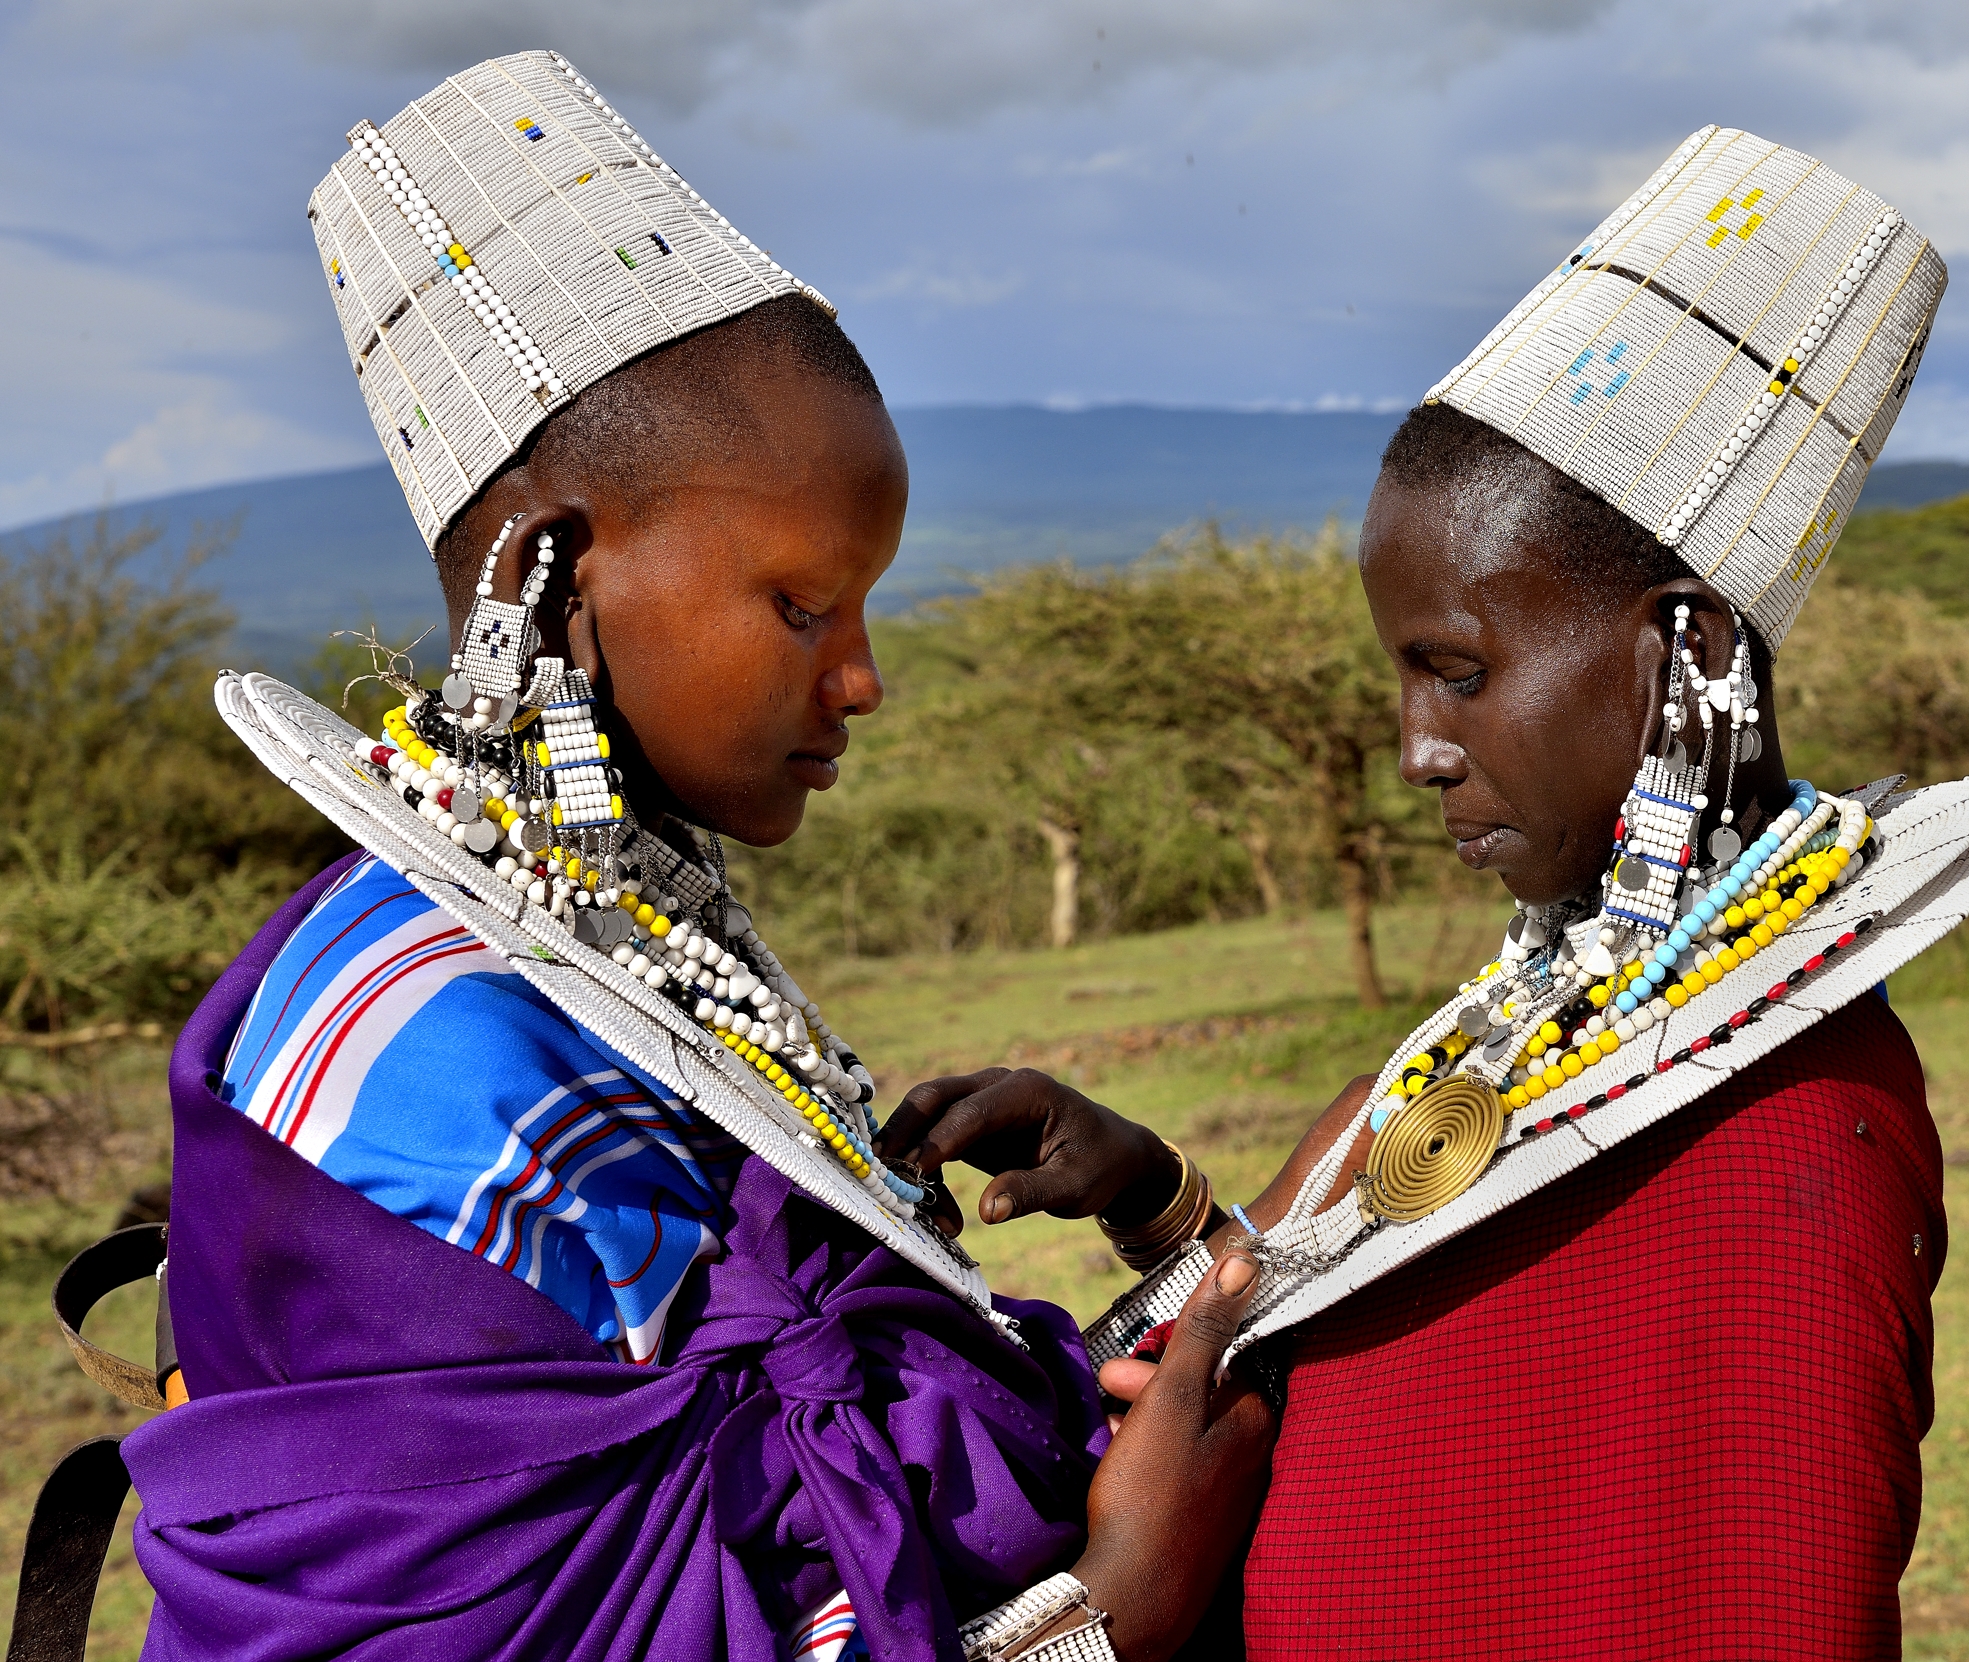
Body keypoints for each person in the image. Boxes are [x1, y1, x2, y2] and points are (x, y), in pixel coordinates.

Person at [115, 51, 1272, 1662]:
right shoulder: (454, 1056)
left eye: (867, 604)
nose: (861, 675)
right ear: (550, 571)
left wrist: (1155, 1205)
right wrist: (1117, 1614)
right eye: (803, 605)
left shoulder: (579, 938)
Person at [894, 127, 1969, 1658]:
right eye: (1403, 680)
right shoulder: (1533, 1025)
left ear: (1682, 652)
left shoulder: (1785, 1145)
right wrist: (1155, 1199)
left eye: (1460, 671)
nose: (1420, 751)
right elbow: (1351, 1342)